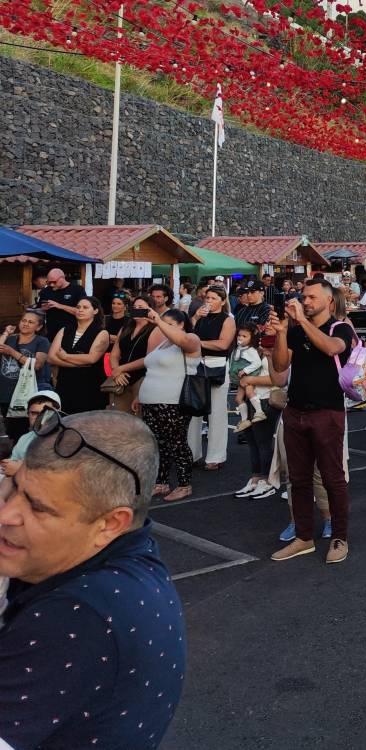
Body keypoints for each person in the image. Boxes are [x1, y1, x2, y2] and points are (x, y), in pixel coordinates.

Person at [0, 409, 186, 749]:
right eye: (14, 487)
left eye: (38, 508)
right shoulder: (130, 554)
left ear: (110, 524)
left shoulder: (75, 615)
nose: (6, 513)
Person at [268, 279, 356, 564]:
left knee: (333, 479)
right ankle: (304, 537)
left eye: (311, 297)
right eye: (303, 296)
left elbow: (332, 348)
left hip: (327, 413)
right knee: (298, 479)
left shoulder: (339, 328)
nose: (304, 301)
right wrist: (281, 334)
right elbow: (281, 367)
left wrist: (302, 323)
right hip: (295, 412)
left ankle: (339, 537)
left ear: (329, 301)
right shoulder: (295, 330)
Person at [135, 308, 201, 502]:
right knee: (158, 444)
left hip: (173, 402)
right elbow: (147, 365)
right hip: (150, 401)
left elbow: (182, 340)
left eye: (169, 325)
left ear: (181, 325)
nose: (163, 328)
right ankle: (161, 481)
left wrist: (158, 321)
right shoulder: (163, 344)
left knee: (177, 444)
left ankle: (184, 484)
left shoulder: (191, 339)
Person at [186, 286, 235, 471]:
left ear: (222, 301)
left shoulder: (227, 320)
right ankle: (192, 453)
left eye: (214, 298)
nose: (209, 301)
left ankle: (215, 456)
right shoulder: (200, 317)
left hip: (216, 365)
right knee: (193, 409)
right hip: (197, 363)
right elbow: (186, 334)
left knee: (216, 412)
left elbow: (223, 344)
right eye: (208, 297)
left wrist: (198, 343)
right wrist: (196, 317)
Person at [232, 326, 279, 501]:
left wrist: (249, 379)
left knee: (263, 442)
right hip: (251, 398)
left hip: (266, 399)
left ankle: (266, 481)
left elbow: (278, 379)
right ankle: (255, 478)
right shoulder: (252, 351)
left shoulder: (278, 351)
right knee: (252, 441)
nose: (266, 327)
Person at [48, 296, 111, 414]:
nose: (80, 310)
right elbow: (51, 357)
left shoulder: (101, 333)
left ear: (95, 311)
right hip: (65, 385)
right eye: (78, 307)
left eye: (85, 307)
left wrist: (65, 357)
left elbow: (91, 358)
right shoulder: (65, 330)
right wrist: (76, 364)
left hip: (89, 387)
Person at [0, 311, 52, 442]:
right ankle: (16, 454)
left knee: (26, 428)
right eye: (23, 320)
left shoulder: (42, 341)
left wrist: (12, 352)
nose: (25, 324)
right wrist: (6, 333)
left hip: (27, 392)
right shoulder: (10, 339)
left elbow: (37, 365)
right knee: (11, 430)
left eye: (30, 322)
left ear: (38, 327)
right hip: (6, 392)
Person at [1, 390, 61, 474]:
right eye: (34, 413)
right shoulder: (24, 439)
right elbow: (10, 464)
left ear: (57, 414)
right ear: (28, 414)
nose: (40, 418)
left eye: (46, 413)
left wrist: (21, 470)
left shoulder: (66, 440)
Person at [230, 323, 269, 433]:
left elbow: (257, 363)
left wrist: (245, 370)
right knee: (238, 399)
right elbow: (236, 358)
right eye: (239, 335)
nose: (240, 338)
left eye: (244, 336)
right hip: (241, 378)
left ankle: (259, 411)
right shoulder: (239, 348)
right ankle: (244, 420)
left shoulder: (251, 350)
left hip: (249, 376)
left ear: (252, 338)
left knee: (249, 392)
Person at [37, 268, 83, 339]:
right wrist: (43, 309)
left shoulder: (77, 290)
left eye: (54, 282)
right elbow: (38, 311)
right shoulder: (45, 291)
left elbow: (81, 312)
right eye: (49, 282)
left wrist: (59, 306)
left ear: (62, 278)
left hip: (71, 332)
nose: (51, 285)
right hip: (51, 333)